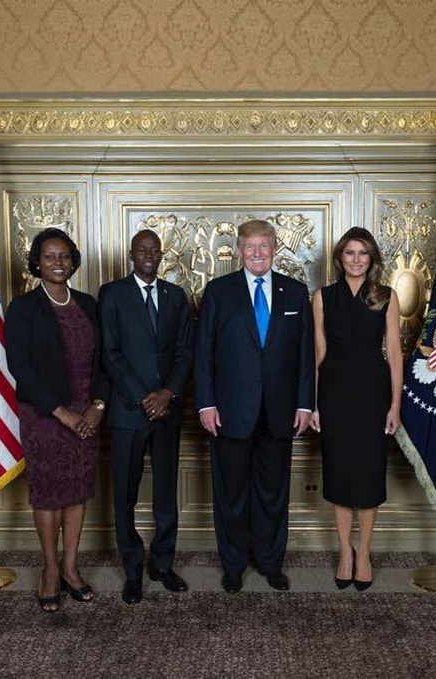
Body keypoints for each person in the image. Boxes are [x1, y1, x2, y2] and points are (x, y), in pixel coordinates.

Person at [194, 219, 314, 593]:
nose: (257, 253)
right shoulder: (219, 291)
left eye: (264, 246)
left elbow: (305, 354)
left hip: (280, 411)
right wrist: (206, 404)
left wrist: (305, 404)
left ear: (274, 249)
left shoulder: (296, 292)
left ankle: (270, 562)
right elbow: (203, 353)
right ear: (239, 251)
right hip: (230, 411)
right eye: (250, 247)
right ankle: (232, 565)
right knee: (231, 493)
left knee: (273, 493)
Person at [4, 228, 109, 612]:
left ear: (73, 261)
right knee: (49, 495)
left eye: (64, 256)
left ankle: (70, 568)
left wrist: (97, 406)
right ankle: (50, 570)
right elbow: (20, 367)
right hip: (45, 416)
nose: (58, 263)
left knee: (77, 491)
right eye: (49, 257)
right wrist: (63, 413)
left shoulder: (88, 304)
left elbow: (104, 358)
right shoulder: (23, 308)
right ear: (37, 262)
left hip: (87, 415)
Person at [99, 229, 194, 605]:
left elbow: (186, 351)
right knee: (125, 493)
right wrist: (144, 397)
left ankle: (163, 564)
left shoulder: (176, 296)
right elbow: (110, 353)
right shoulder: (112, 294)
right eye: (142, 250)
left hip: (167, 412)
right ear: (131, 254)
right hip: (128, 412)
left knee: (166, 493)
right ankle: (133, 570)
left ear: (161, 254)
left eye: (154, 250)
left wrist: (167, 393)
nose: (149, 255)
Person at [309, 227, 402, 591]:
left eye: (363, 253)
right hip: (334, 395)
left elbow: (395, 354)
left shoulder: (385, 296)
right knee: (339, 475)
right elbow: (318, 354)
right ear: (340, 258)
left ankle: (363, 552)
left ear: (372, 258)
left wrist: (395, 405)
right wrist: (314, 404)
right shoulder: (323, 297)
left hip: (373, 395)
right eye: (350, 253)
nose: (357, 259)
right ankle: (344, 552)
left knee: (368, 475)